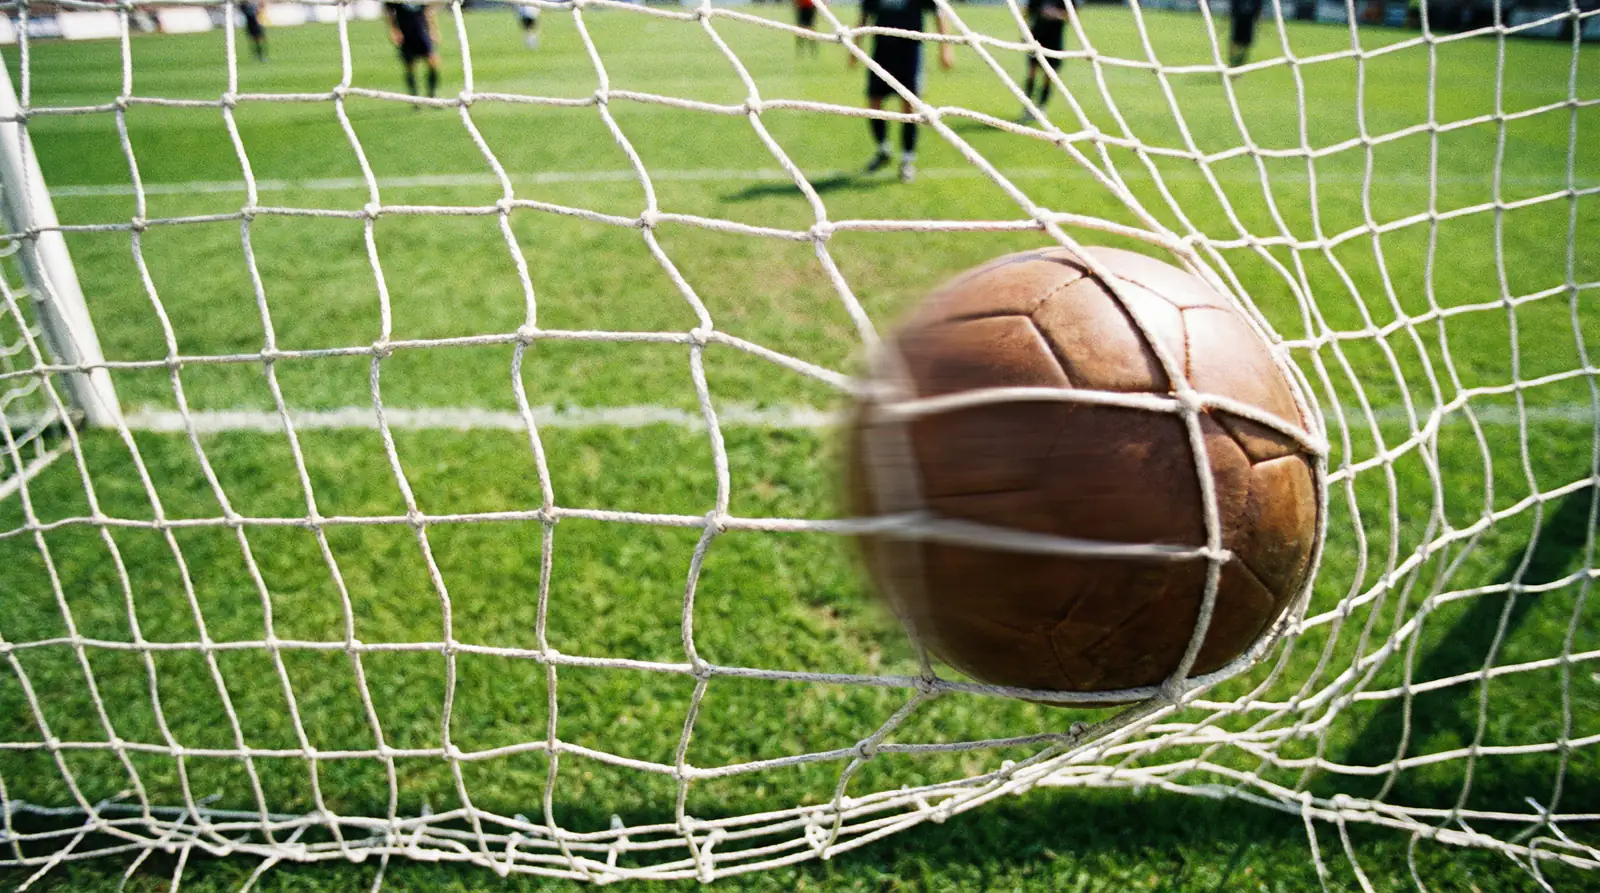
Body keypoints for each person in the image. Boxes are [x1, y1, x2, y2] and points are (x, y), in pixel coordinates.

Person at [849, 0, 953, 184]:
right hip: (881, 51)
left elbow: (938, 12)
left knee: (909, 107)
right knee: (874, 103)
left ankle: (907, 160)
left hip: (909, 53)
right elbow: (864, 16)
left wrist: (945, 48)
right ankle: (883, 149)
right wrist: (854, 47)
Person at [1018, 0, 1068, 123]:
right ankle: (1028, 107)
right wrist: (1025, 32)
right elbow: (1026, 12)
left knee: (1048, 76)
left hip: (1054, 42)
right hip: (1037, 40)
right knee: (1032, 73)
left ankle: (1042, 106)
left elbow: (1071, 16)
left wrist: (1056, 14)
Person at [385, 2, 442, 103]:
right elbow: (389, 11)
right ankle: (414, 98)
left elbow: (428, 10)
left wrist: (433, 30)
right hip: (405, 33)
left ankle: (431, 95)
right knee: (410, 67)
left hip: (422, 31)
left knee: (433, 62)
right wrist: (393, 30)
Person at [1228, 0, 1265, 68]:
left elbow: (1258, 10)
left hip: (1249, 22)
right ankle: (1232, 62)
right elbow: (1233, 7)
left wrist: (1259, 22)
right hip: (1239, 21)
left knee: (1246, 45)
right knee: (1234, 43)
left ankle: (1241, 62)